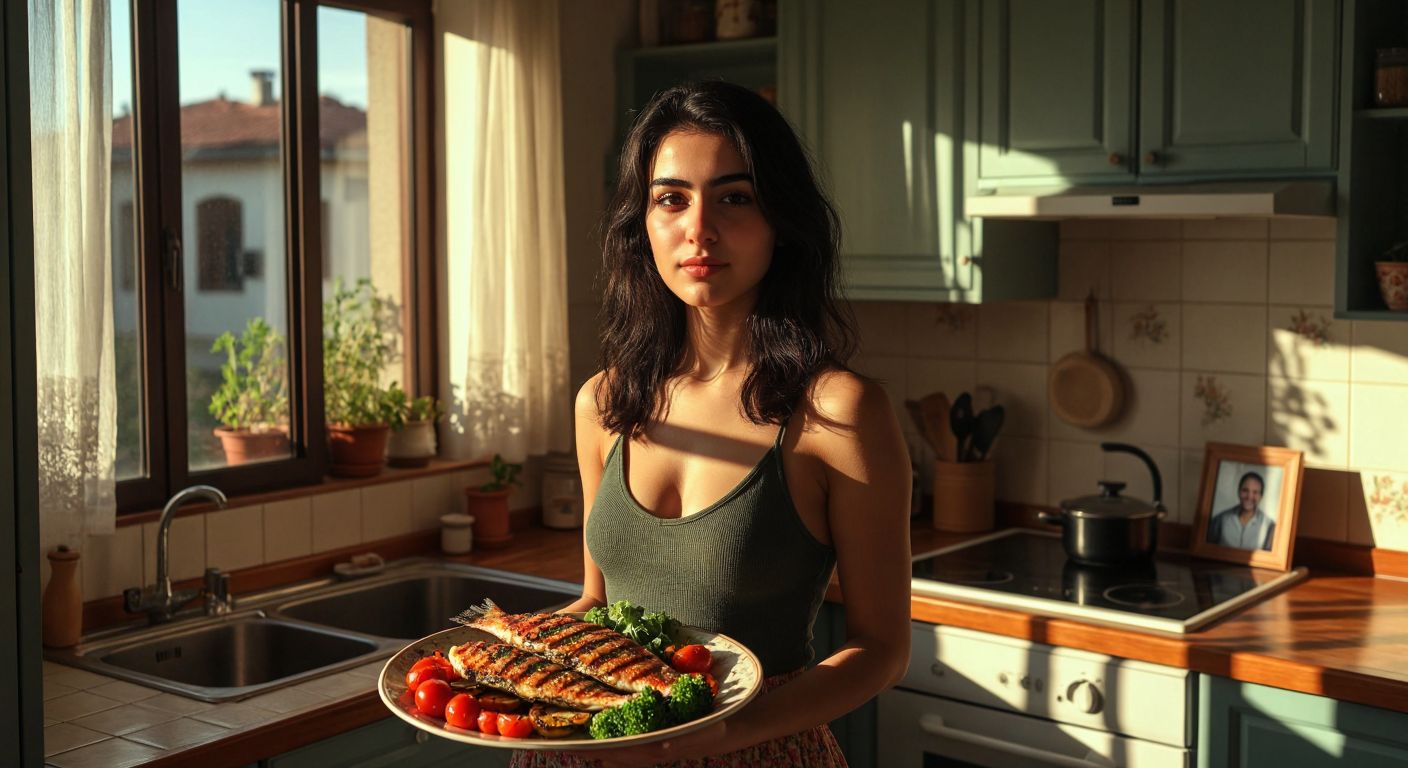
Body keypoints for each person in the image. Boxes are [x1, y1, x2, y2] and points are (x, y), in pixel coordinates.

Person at [511, 82, 912, 768]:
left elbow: (880, 649)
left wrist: (724, 732)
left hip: (755, 751)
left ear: (780, 217)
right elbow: (598, 603)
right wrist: (503, 655)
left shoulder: (837, 414)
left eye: (734, 196)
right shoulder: (603, 404)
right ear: (643, 223)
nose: (699, 228)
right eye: (671, 199)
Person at [1206, 471, 1276, 551]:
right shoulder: (1219, 520)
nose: (1249, 496)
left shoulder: (1269, 526)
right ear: (1239, 491)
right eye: (1245, 490)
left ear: (1261, 496)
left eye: (1255, 492)